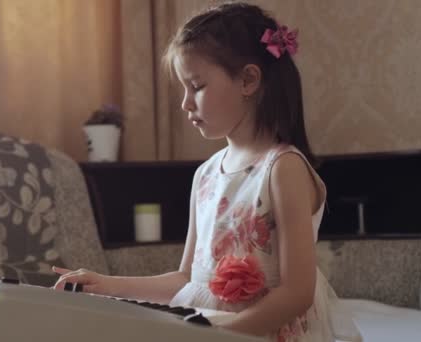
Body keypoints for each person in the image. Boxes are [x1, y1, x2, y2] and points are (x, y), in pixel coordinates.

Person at [54, 2, 351, 341]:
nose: (185, 103)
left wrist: (221, 334)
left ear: (248, 80)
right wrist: (106, 285)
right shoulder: (206, 175)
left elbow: (297, 293)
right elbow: (188, 280)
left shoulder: (283, 169)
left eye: (196, 86)